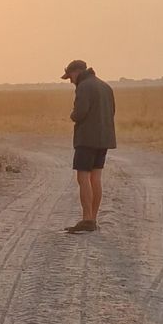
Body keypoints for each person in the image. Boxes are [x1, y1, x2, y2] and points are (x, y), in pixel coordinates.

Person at [61, 60, 116, 234]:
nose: (70, 81)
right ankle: (93, 218)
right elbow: (112, 111)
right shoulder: (105, 86)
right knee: (96, 177)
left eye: (70, 77)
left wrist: (72, 114)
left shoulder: (84, 87)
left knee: (83, 177)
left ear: (76, 72)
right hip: (104, 139)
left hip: (87, 139)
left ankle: (87, 219)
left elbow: (79, 113)